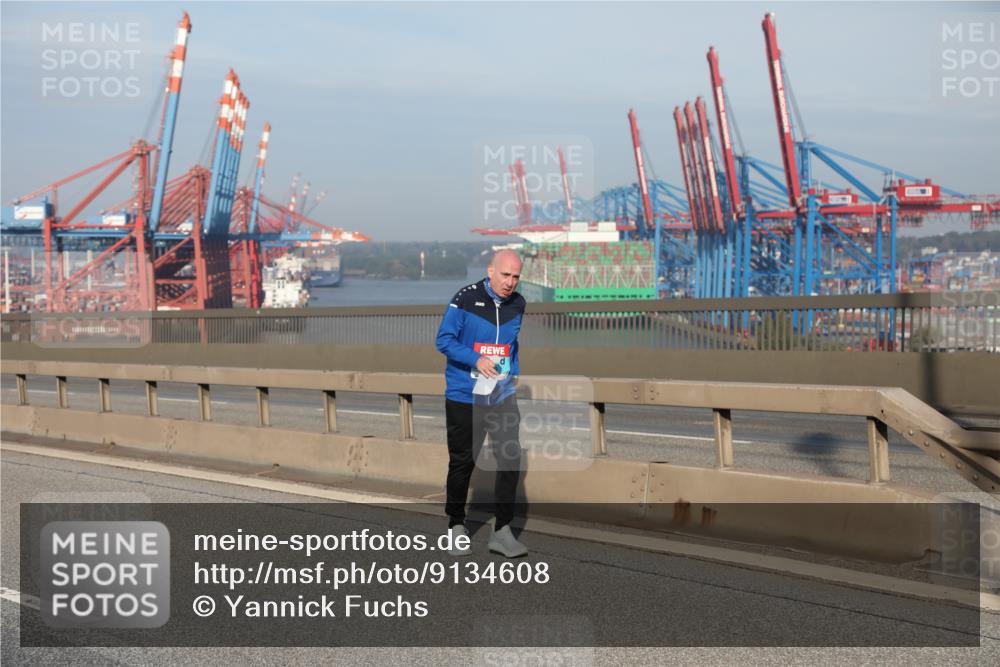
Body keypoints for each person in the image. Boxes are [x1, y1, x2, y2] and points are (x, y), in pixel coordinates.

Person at [434, 249, 528, 558]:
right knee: (463, 462)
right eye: (505, 275)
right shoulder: (465, 298)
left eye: (515, 277)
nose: (510, 282)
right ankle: (456, 526)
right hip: (465, 395)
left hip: (501, 395)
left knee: (510, 458)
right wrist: (476, 358)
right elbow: (444, 341)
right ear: (491, 271)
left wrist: (511, 375)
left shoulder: (518, 304)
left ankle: (502, 531)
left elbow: (510, 346)